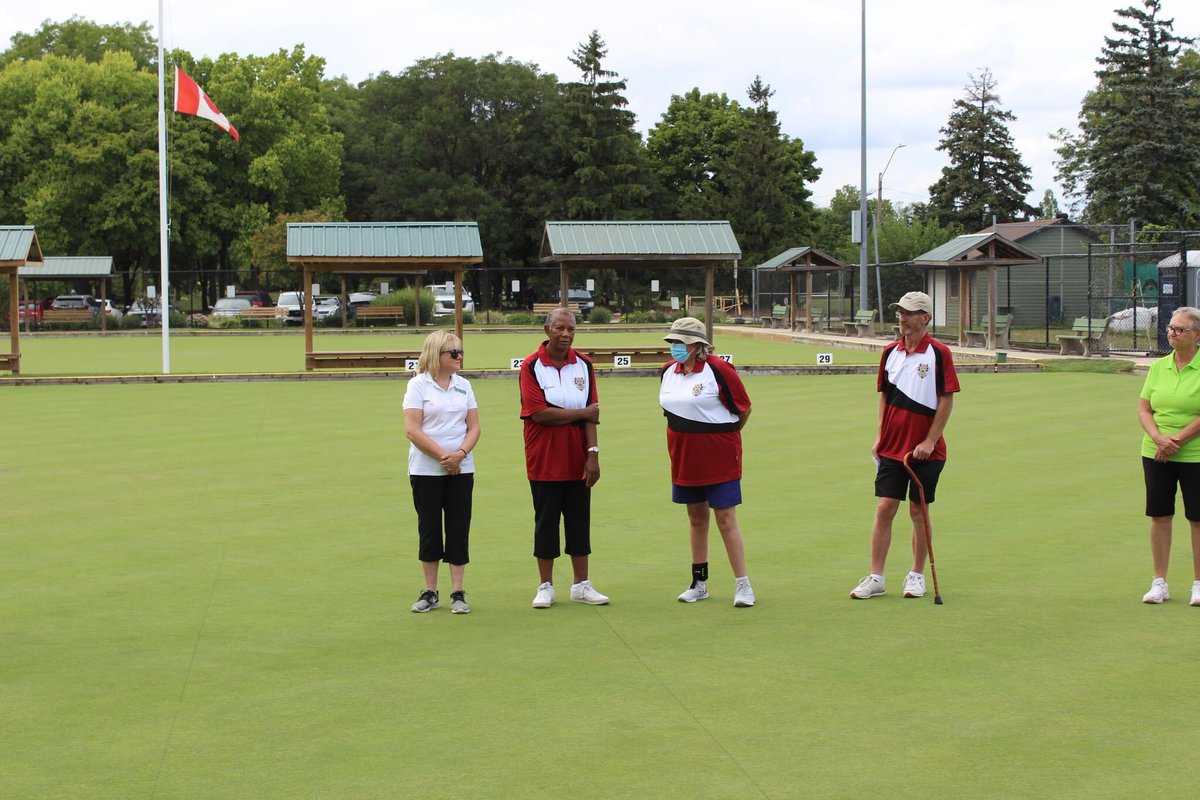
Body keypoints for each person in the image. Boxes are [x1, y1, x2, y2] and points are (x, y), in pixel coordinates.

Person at [851, 291, 960, 600]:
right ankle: (876, 577)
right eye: (900, 312)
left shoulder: (939, 353)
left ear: (924, 317)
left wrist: (930, 440)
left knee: (917, 510)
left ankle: (916, 574)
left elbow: (946, 399)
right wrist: (879, 436)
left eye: (909, 312)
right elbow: (885, 395)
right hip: (891, 447)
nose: (902, 317)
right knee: (885, 507)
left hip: (927, 452)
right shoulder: (890, 352)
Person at [659, 317, 756, 607]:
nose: (675, 347)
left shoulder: (719, 369)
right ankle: (699, 583)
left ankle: (743, 585)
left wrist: (722, 435)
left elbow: (744, 408)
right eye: (673, 342)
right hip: (684, 456)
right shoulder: (667, 371)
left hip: (719, 455)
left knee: (725, 519)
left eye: (681, 342)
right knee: (696, 518)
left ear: (697, 345)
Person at [519, 307, 609, 608]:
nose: (566, 334)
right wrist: (582, 413)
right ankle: (545, 586)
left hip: (578, 457)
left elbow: (592, 415)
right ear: (547, 330)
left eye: (571, 329)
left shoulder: (584, 364)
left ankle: (581, 585)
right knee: (546, 522)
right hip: (543, 456)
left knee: (579, 520)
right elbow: (540, 413)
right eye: (560, 328)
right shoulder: (532, 366)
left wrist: (593, 454)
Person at [403, 331, 481, 614]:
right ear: (437, 355)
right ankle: (430, 591)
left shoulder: (464, 385)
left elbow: (474, 427)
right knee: (430, 528)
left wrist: (459, 455)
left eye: (460, 352)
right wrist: (443, 457)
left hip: (462, 468)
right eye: (454, 353)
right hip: (426, 470)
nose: (460, 357)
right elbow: (412, 429)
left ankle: (458, 592)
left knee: (459, 527)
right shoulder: (418, 386)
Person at [1137, 306, 1200, 606]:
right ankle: (1159, 583)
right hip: (1156, 452)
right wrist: (1158, 438)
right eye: (1171, 328)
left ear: (1196, 335)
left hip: (1195, 454)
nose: (1172, 333)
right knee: (1160, 515)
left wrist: (1176, 439)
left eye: (1180, 329)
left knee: (1198, 518)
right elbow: (1144, 408)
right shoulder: (1158, 367)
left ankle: (1199, 584)